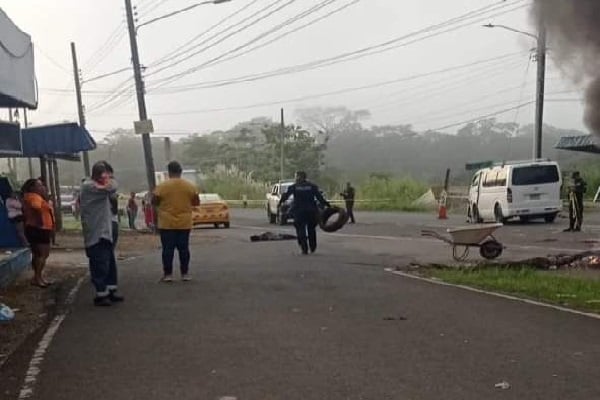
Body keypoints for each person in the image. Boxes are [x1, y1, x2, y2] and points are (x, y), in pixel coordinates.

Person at [80, 162, 124, 306]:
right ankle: (101, 293)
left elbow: (110, 190)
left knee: (109, 261)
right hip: (96, 231)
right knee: (100, 263)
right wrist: (110, 180)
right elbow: (111, 187)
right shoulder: (89, 186)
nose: (106, 178)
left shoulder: (98, 186)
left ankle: (110, 289)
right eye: (103, 174)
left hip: (105, 230)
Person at [153, 161, 200, 282]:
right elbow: (196, 202)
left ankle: (168, 274)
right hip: (184, 222)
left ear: (169, 172)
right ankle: (185, 273)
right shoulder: (190, 186)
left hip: (166, 222)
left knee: (167, 250)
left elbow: (154, 201)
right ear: (181, 172)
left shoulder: (162, 186)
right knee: (184, 249)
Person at [279, 171, 331, 255]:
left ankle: (304, 248)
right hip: (311, 210)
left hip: (299, 211)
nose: (295, 178)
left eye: (296, 177)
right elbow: (319, 197)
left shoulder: (294, 187)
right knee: (311, 229)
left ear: (299, 177)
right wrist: (328, 205)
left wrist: (280, 203)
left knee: (300, 229)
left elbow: (285, 196)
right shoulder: (312, 186)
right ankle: (313, 246)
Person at [22, 179, 55, 288]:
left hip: (40, 228)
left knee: (40, 254)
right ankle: (37, 278)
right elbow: (36, 207)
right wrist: (40, 221)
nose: (42, 187)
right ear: (32, 188)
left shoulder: (35, 196)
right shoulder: (33, 196)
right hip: (38, 229)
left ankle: (38, 277)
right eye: (39, 185)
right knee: (42, 254)